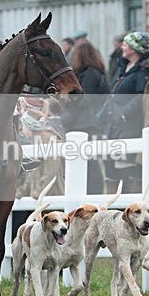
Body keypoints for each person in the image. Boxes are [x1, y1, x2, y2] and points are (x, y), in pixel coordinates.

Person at [102, 31, 149, 193]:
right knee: (111, 166)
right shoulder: (123, 66)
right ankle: (114, 203)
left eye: (125, 45)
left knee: (126, 166)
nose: (122, 47)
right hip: (114, 123)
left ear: (134, 48)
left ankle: (131, 202)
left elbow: (141, 95)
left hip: (129, 125)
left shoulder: (143, 70)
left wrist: (125, 113)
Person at [60, 41, 109, 193]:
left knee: (89, 165)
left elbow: (82, 101)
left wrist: (65, 117)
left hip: (85, 125)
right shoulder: (94, 73)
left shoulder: (89, 75)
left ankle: (91, 195)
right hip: (89, 124)